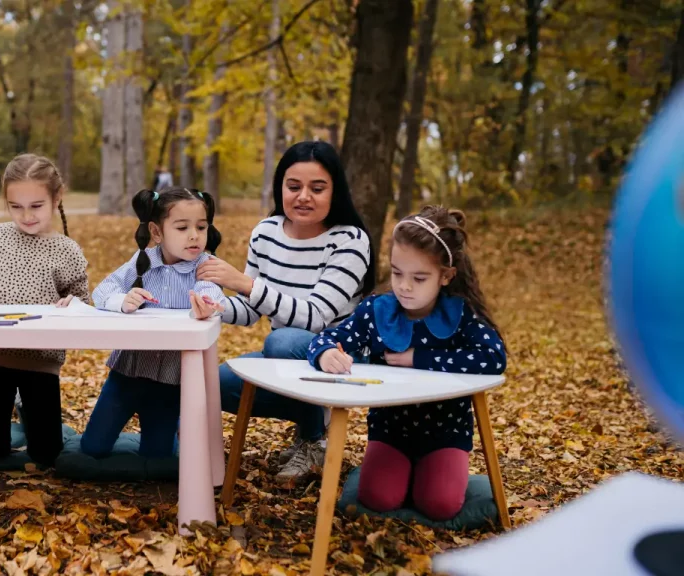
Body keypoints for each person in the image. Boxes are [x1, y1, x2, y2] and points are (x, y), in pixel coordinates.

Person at [308, 206, 507, 520]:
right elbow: (327, 337)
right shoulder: (377, 310)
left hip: (446, 433)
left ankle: (437, 473)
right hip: (391, 431)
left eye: (419, 277)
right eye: (398, 273)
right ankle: (400, 472)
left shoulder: (460, 314)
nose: (404, 286)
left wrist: (419, 358)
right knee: (378, 498)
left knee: (439, 505)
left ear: (446, 276)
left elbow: (494, 357)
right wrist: (325, 353)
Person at [197, 140, 376, 484]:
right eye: (293, 186)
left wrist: (244, 283)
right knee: (210, 382)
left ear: (335, 191)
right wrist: (213, 307)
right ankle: (314, 420)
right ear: (280, 188)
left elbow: (315, 318)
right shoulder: (267, 232)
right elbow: (251, 311)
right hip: (286, 356)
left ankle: (314, 442)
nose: (303, 196)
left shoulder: (349, 240)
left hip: (343, 359)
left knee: (281, 340)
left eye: (317, 188)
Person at [0, 153, 89, 468]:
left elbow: (83, 300)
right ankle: (9, 411)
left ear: (56, 199)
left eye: (36, 206)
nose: (26, 216)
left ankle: (25, 409)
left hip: (41, 360)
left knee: (46, 454)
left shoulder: (67, 251)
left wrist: (76, 305)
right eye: (16, 207)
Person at [81, 187, 225, 458]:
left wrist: (205, 307)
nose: (194, 235)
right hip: (127, 372)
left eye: (201, 227)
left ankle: (178, 429)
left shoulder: (205, 266)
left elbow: (212, 292)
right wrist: (123, 300)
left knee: (157, 455)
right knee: (92, 448)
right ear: (157, 232)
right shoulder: (142, 261)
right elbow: (101, 292)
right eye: (182, 228)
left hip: (170, 380)